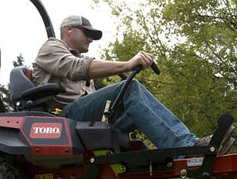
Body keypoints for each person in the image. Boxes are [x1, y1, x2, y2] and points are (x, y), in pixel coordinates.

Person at [32, 15, 208, 149]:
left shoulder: (80, 59)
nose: (91, 39)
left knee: (136, 105)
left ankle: (154, 160)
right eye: (88, 33)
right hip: (65, 118)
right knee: (130, 88)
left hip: (86, 120)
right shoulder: (52, 46)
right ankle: (184, 145)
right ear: (68, 29)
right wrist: (127, 65)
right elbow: (75, 67)